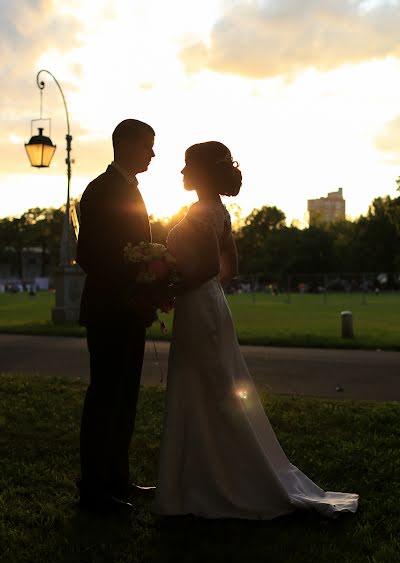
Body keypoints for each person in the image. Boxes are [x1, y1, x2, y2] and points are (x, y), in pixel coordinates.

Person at [154, 141, 358, 519]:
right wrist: (208, 288)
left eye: (186, 166)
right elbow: (228, 265)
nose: (181, 172)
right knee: (213, 386)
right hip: (209, 304)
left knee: (207, 388)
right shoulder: (218, 211)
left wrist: (166, 287)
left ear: (201, 171)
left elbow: (205, 268)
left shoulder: (201, 213)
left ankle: (213, 482)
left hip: (200, 307)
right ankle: (204, 477)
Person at [76, 119, 161, 513]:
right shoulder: (99, 191)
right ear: (125, 144)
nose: (153, 154)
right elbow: (91, 257)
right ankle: (93, 488)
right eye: (148, 145)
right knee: (105, 397)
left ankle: (117, 479)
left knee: (125, 397)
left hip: (130, 310)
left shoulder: (127, 188)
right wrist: (132, 289)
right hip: (110, 309)